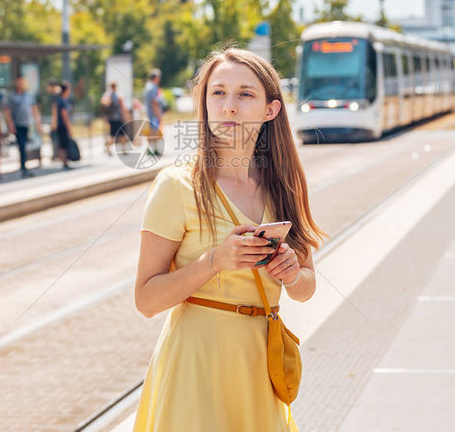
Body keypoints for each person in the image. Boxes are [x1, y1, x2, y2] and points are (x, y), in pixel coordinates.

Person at [133, 47, 325, 431]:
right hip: (195, 367)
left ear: (271, 110)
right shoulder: (177, 185)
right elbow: (146, 300)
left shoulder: (283, 184)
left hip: (259, 365)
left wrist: (291, 274)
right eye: (218, 93)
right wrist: (214, 262)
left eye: (245, 94)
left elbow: (306, 287)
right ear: (203, 104)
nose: (230, 107)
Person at [4, 76, 42, 178]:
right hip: (17, 125)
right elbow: (7, 112)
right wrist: (10, 125)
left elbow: (34, 110)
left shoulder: (29, 96)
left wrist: (38, 124)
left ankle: (25, 166)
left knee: (25, 145)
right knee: (22, 146)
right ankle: (24, 168)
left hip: (27, 125)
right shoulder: (12, 97)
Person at [101, 81, 129, 154]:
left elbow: (103, 106)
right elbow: (122, 107)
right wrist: (126, 116)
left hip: (111, 119)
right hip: (118, 118)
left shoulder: (107, 95)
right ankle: (123, 149)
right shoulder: (118, 95)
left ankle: (111, 148)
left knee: (113, 135)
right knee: (122, 134)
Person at [52, 81, 73, 169]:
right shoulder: (62, 101)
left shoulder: (59, 100)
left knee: (61, 144)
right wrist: (69, 128)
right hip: (62, 126)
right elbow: (65, 116)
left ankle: (64, 162)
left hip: (59, 125)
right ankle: (64, 162)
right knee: (63, 144)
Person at [143, 68, 163, 155]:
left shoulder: (147, 86)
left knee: (152, 131)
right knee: (154, 132)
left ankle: (149, 148)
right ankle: (154, 149)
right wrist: (158, 114)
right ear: (156, 78)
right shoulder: (153, 88)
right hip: (154, 114)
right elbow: (154, 102)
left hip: (149, 113)